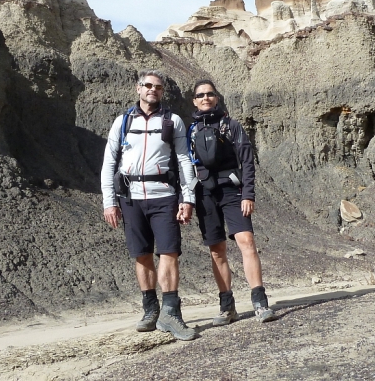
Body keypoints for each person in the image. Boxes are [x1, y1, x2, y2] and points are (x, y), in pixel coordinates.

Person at [100, 70, 199, 340]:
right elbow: (109, 162)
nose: (152, 90)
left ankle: (171, 313)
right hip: (130, 198)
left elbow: (183, 161)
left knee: (169, 252)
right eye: (147, 85)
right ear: (138, 88)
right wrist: (110, 201)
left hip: (164, 195)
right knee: (141, 254)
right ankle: (150, 309)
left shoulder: (173, 121)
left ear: (162, 92)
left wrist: (187, 197)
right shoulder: (122, 122)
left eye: (157, 87)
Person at [187, 79, 277, 324]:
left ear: (217, 97)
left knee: (246, 241)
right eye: (200, 95)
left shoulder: (232, 125)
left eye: (210, 94)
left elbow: (247, 161)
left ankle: (260, 302)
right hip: (205, 194)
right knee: (217, 251)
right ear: (194, 101)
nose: (205, 98)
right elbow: (185, 165)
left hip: (232, 191)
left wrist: (248, 194)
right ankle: (227, 307)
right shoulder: (191, 131)